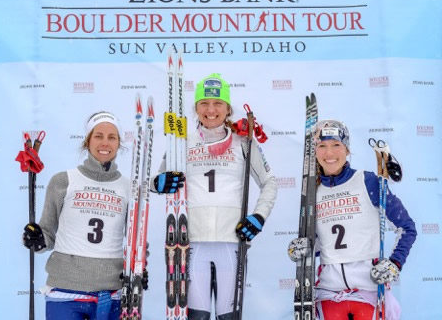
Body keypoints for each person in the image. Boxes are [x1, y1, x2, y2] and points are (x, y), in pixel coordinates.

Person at [152, 73, 278, 320]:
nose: (211, 110)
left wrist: (259, 216)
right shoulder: (181, 141)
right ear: (196, 107)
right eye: (204, 103)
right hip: (191, 243)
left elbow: (270, 182)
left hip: (231, 243)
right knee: (197, 316)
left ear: (228, 108)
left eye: (218, 103)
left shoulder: (243, 142)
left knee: (228, 316)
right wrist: (159, 182)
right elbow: (157, 182)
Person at [288, 120, 417, 320]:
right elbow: (322, 245)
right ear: (314, 152)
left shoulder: (368, 182)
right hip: (328, 294)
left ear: (347, 149)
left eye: (336, 145)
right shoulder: (313, 192)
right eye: (322, 146)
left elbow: (407, 227)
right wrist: (304, 248)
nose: (329, 153)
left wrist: (395, 263)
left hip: (369, 291)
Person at [22, 111, 137, 320]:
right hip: (65, 290)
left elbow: (136, 241)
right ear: (87, 141)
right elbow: (47, 234)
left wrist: (138, 269)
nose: (105, 142)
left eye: (112, 137)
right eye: (98, 136)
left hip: (111, 292)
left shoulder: (128, 187)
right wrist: (37, 240)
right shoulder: (63, 181)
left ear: (119, 143)